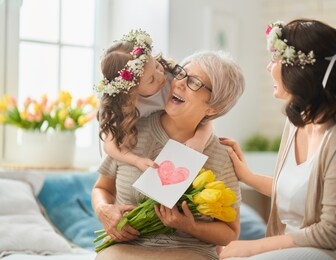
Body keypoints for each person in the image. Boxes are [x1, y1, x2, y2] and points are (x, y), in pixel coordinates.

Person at [219, 18, 336, 260]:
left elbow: (333, 233)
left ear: (298, 71)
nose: (269, 68)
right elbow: (302, 194)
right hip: (306, 247)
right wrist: (247, 176)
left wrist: (254, 246)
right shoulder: (297, 118)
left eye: (275, 60)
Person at [92, 49, 245, 260]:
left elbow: (230, 232)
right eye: (181, 74)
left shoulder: (219, 155)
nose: (179, 83)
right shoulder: (130, 132)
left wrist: (189, 226)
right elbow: (102, 187)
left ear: (214, 107)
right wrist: (103, 210)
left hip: (188, 251)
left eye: (194, 83)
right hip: (128, 247)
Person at [96, 29, 212, 172]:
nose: (160, 76)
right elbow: (110, 145)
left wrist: (200, 139)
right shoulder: (120, 104)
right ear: (132, 90)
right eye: (151, 80)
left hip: (164, 143)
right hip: (134, 148)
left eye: (157, 65)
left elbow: (204, 113)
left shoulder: (171, 79)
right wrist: (136, 160)